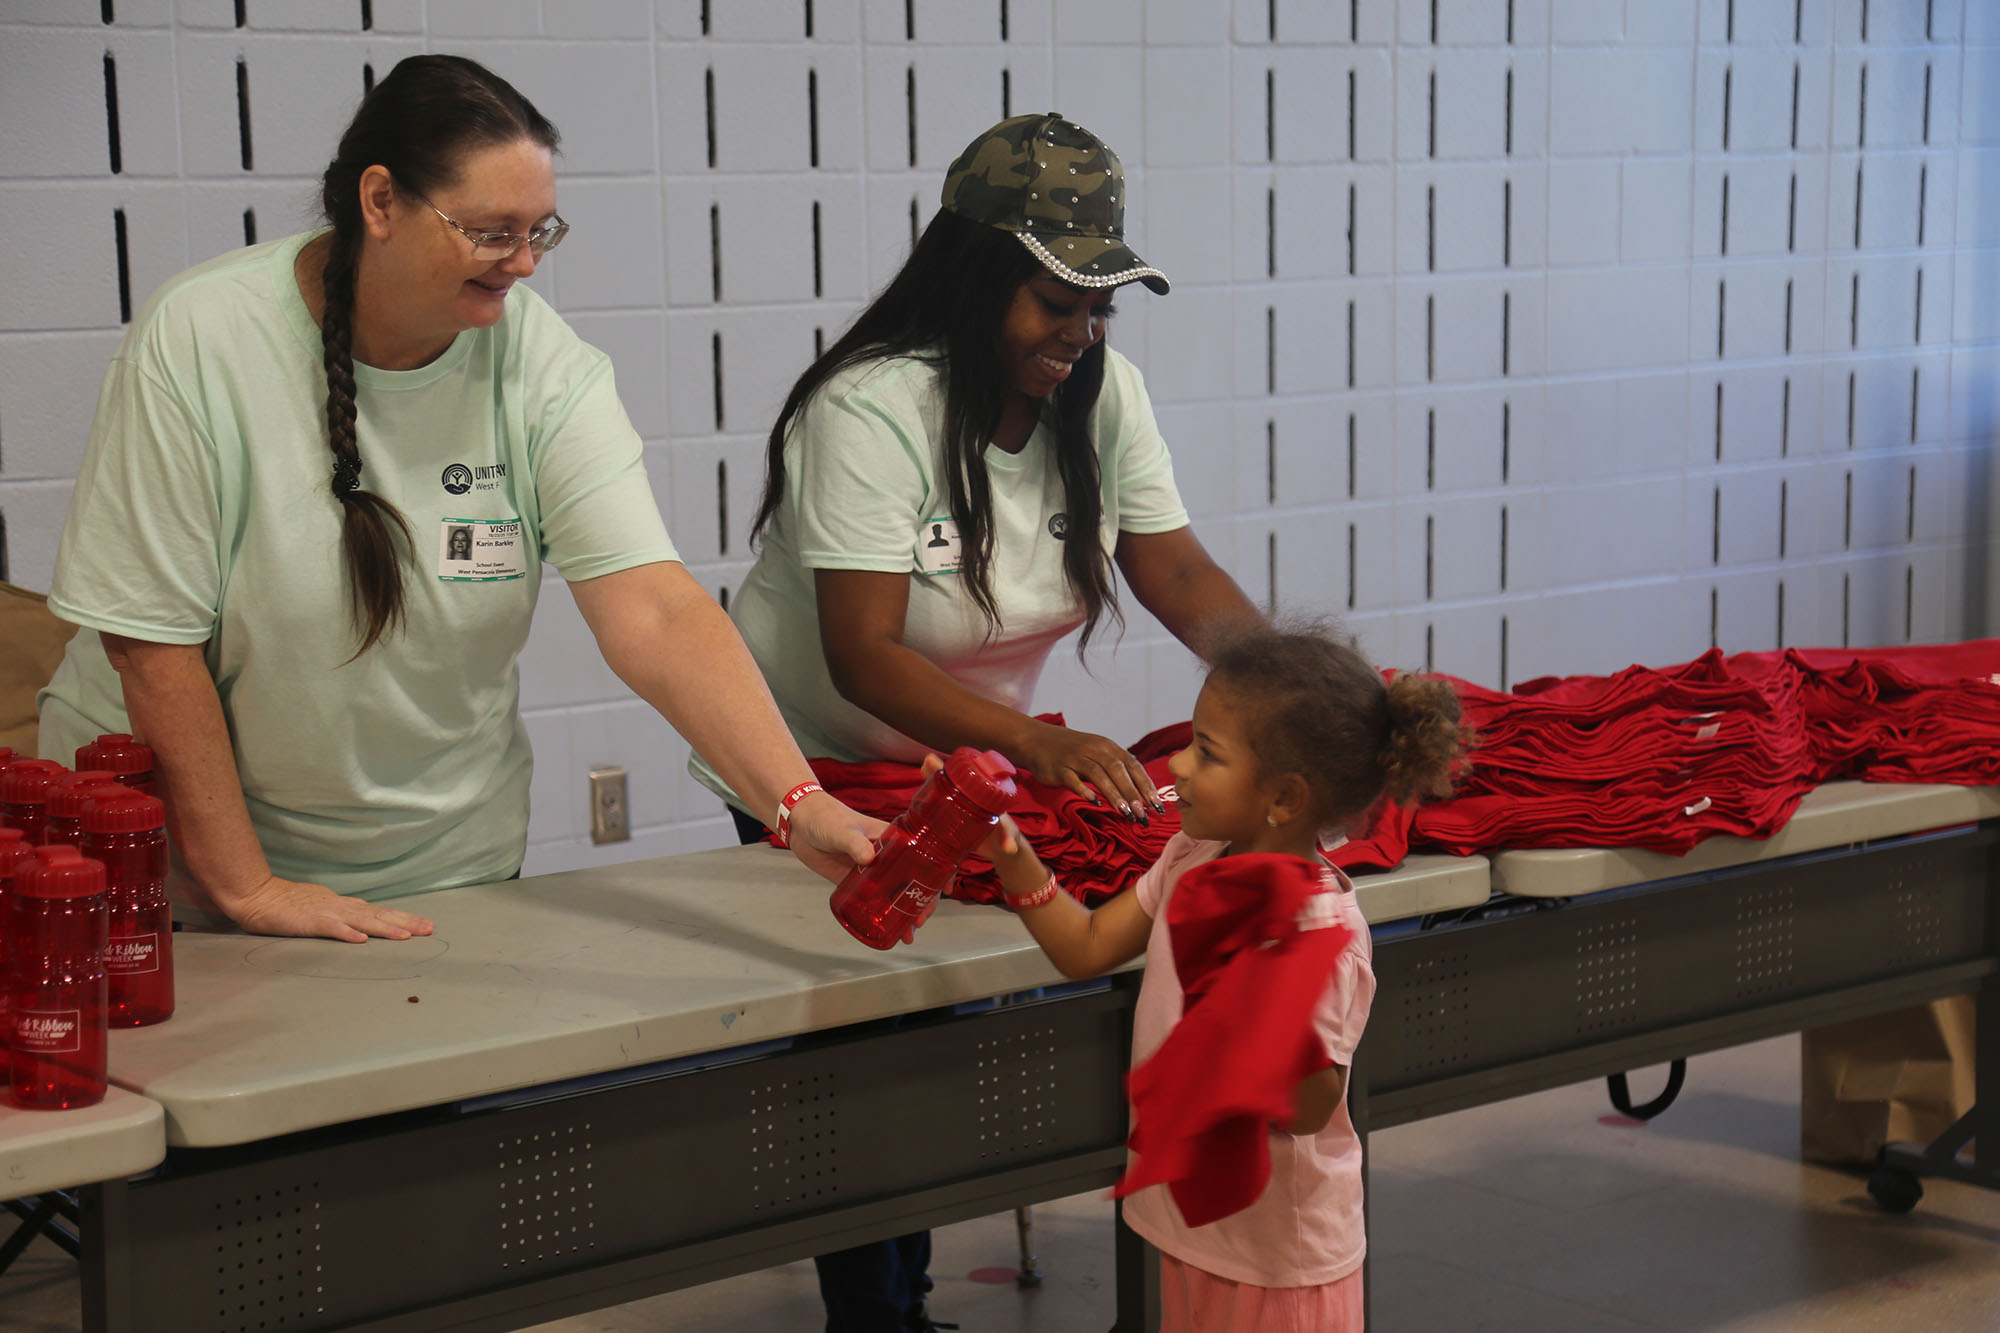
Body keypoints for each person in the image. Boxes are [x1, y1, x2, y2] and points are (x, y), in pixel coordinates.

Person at [35, 54, 877, 944]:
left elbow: (657, 610)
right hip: (177, 866)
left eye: (540, 231)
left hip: (443, 863)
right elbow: (151, 647)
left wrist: (796, 802)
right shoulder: (200, 339)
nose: (522, 264)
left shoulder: (541, 365)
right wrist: (247, 886)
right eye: (489, 231)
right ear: (380, 202)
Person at [691, 110, 1263, 1333]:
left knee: (945, 1031)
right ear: (971, 273)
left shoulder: (1101, 395)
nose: (1080, 332)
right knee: (868, 1046)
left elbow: (1176, 573)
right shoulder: (868, 408)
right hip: (814, 767)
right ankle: (879, 1315)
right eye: (1054, 301)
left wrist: (1292, 689)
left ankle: (908, 1293)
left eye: (1099, 305)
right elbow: (862, 657)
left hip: (970, 758)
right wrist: (1040, 746)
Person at [982, 621, 1468, 1331]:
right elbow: (1085, 946)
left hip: (1281, 1261)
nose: (1176, 763)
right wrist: (1009, 852)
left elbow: (1308, 1108)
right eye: (1189, 740)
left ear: (1284, 798)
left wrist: (1256, 993)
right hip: (1195, 1229)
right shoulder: (1193, 856)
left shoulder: (1323, 931)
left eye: (1206, 753)